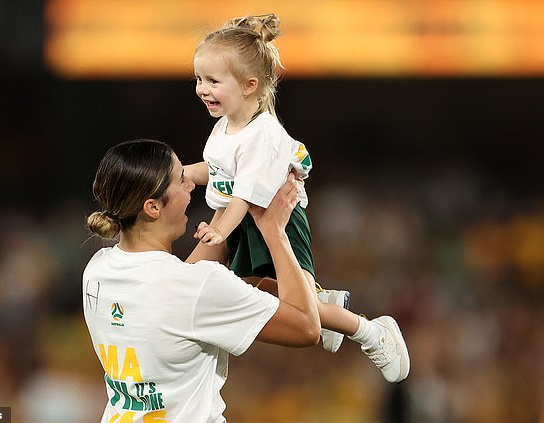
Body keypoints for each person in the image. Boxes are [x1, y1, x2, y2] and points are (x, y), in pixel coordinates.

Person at [184, 13, 410, 382]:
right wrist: (182, 174)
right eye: (198, 79)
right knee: (254, 293)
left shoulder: (263, 134)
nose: (201, 89)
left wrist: (221, 232)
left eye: (212, 80)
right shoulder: (225, 125)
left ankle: (370, 331)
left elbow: (243, 195)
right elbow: (219, 170)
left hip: (278, 224)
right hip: (246, 223)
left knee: (291, 308)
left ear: (249, 85)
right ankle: (322, 303)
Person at [83, 139, 322, 422]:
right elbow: (307, 328)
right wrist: (274, 231)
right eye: (180, 179)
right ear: (153, 207)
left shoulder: (97, 269)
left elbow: (182, 293)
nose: (191, 185)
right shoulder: (195, 286)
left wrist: (233, 196)